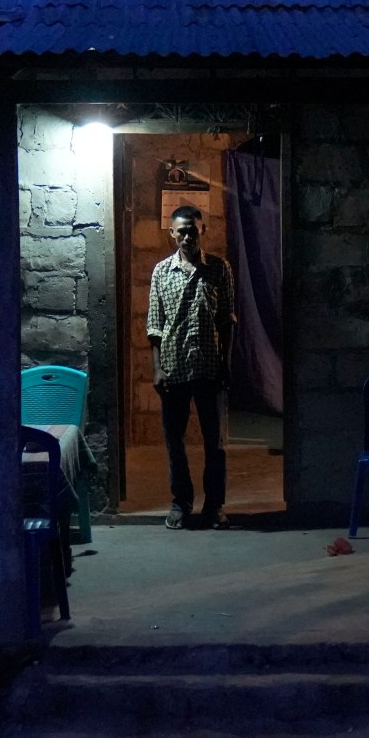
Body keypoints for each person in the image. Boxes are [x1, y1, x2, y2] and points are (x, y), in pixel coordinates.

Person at [146, 204, 235, 529]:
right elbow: (155, 325)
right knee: (175, 441)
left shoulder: (219, 269)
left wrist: (226, 363)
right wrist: (156, 368)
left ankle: (214, 506)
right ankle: (180, 503)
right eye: (180, 231)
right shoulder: (160, 272)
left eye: (192, 230)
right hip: (174, 368)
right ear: (172, 233)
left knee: (215, 443)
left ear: (203, 231)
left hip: (210, 368)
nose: (187, 236)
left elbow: (227, 320)